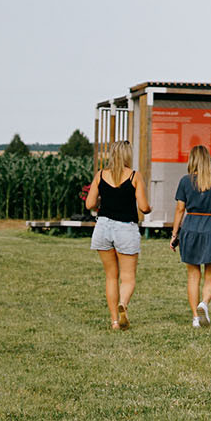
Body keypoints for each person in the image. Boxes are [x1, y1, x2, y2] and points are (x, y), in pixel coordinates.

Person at [85, 140, 149, 329]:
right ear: (128, 155)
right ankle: (123, 303)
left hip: (103, 227)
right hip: (125, 228)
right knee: (128, 277)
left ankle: (114, 321)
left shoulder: (100, 175)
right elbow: (144, 207)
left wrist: (101, 198)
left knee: (111, 276)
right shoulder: (135, 176)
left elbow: (89, 205)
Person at [172, 144, 211, 327]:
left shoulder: (185, 181)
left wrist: (174, 234)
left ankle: (195, 318)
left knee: (193, 275)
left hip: (190, 227)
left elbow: (180, 209)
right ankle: (203, 303)